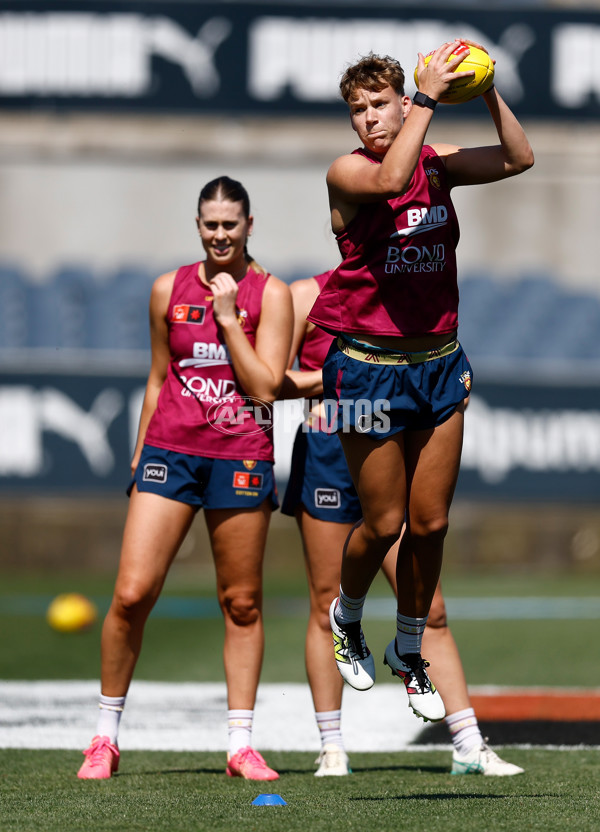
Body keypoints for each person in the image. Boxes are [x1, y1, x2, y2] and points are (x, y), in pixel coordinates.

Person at [306, 44, 534, 723]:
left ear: (401, 103)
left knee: (430, 523)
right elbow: (390, 178)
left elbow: (519, 159)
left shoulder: (436, 162)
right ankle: (345, 615)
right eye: (359, 110)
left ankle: (409, 652)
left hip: (438, 363)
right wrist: (429, 103)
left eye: (381, 104)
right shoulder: (350, 171)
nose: (369, 120)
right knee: (383, 521)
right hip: (369, 370)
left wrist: (485, 91)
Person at [77, 176, 293, 781]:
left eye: (231, 224)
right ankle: (104, 738)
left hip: (242, 456)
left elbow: (266, 387)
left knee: (242, 602)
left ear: (251, 225)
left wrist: (228, 319)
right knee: (131, 594)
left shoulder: (269, 295)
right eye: (210, 224)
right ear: (197, 226)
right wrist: (140, 444)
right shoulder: (165, 289)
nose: (220, 234)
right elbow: (157, 375)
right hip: (169, 452)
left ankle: (241, 745)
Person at [281, 270, 524, 777]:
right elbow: (271, 383)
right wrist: (343, 375)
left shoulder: (407, 287)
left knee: (431, 605)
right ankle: (331, 747)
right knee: (325, 597)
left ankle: (467, 743)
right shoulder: (303, 295)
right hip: (330, 448)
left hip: (391, 448)